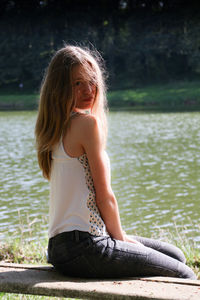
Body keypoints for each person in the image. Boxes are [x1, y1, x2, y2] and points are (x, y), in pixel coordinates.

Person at [35, 45, 196, 279]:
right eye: (77, 83)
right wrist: (121, 239)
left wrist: (122, 240)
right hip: (85, 246)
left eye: (91, 80)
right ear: (60, 88)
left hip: (61, 247)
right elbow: (104, 196)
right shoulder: (85, 124)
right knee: (184, 275)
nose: (88, 89)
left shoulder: (54, 128)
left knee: (176, 255)